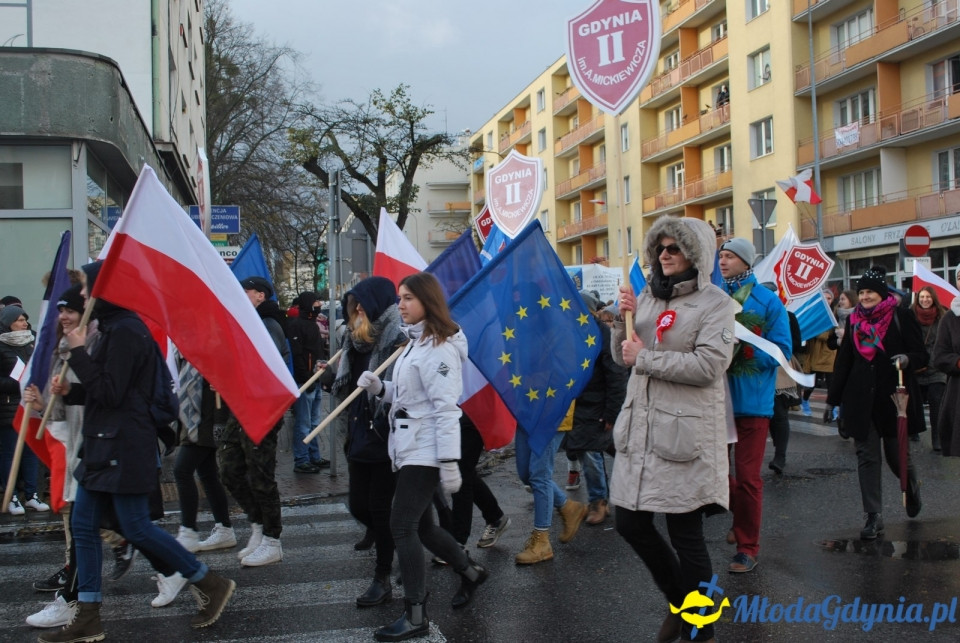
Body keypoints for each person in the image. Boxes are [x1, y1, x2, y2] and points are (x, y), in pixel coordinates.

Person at [39, 261, 234, 642]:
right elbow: (115, 392)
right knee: (83, 524)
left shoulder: (127, 331)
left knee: (135, 527)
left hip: (123, 445)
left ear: (105, 291)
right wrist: (73, 391)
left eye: (86, 289)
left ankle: (210, 583)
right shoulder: (115, 329)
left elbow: (111, 392)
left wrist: (78, 354)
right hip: (105, 442)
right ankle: (88, 615)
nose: (81, 296)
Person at [613, 216, 736, 643]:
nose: (664, 255)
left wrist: (643, 357)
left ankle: (702, 628)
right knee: (629, 522)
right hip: (642, 431)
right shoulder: (646, 296)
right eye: (660, 248)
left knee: (687, 536)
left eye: (673, 249)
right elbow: (623, 357)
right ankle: (680, 604)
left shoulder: (716, 303)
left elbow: (709, 366)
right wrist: (620, 322)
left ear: (694, 255)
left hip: (685, 435)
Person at [356, 272, 487, 642]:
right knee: (424, 527)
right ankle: (471, 571)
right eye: (399, 298)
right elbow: (410, 396)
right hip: (410, 446)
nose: (400, 305)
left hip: (427, 450)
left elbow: (445, 409)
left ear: (427, 302)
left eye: (408, 298)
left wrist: (448, 463)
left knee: (401, 525)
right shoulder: (416, 344)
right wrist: (381, 387)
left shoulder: (440, 348)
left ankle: (416, 614)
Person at [826, 266, 926, 540]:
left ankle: (911, 485)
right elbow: (844, 362)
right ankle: (874, 516)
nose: (866, 296)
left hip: (895, 399)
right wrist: (833, 401)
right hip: (861, 400)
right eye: (862, 292)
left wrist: (907, 359)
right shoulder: (855, 321)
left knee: (896, 457)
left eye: (870, 292)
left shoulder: (901, 316)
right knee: (867, 458)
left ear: (882, 294)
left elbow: (921, 355)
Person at [718, 237, 792, 573]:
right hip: (717, 401)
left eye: (730, 257)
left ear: (747, 263)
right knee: (718, 475)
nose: (723, 261)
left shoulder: (767, 301)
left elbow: (782, 349)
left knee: (748, 478)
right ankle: (741, 516)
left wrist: (744, 350)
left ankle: (748, 547)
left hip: (753, 402)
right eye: (721, 256)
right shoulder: (715, 296)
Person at [331, 276, 404, 608]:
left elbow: (399, 391)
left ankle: (383, 577)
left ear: (374, 304)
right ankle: (392, 537)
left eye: (360, 304)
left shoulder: (396, 339)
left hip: (384, 434)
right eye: (352, 305)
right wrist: (332, 377)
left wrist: (380, 390)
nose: (355, 310)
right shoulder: (356, 341)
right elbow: (350, 386)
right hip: (358, 433)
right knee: (359, 505)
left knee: (380, 507)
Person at [218, 275, 287, 567]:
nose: (241, 295)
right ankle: (257, 524)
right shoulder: (249, 324)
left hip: (263, 410)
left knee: (261, 476)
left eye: (246, 291)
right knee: (229, 469)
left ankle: (273, 539)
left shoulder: (268, 326)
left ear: (260, 295)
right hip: (241, 407)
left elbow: (261, 369)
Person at [562, 290, 627, 525]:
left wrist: (612, 411)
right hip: (577, 406)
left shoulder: (603, 334)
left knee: (591, 451)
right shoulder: (567, 335)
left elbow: (616, 374)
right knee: (598, 448)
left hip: (598, 406)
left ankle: (598, 501)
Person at [173, 367, 237, 556]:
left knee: (182, 470)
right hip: (201, 415)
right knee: (207, 474)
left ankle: (189, 531)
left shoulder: (212, 343)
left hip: (206, 418)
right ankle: (224, 527)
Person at [0, 303, 49, 514]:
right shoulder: (1, 346)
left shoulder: (33, 342)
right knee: (9, 454)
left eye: (25, 319)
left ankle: (31, 495)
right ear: (8, 324)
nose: (24, 323)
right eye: (19, 320)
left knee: (31, 453)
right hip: (9, 408)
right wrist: (17, 383)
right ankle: (11, 497)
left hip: (32, 407)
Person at [438, 415, 511, 550]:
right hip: (450, 417)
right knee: (465, 471)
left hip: (471, 416)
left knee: (460, 472)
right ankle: (495, 516)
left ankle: (457, 541)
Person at [288, 291, 330, 473]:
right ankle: (301, 459)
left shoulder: (313, 325)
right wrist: (306, 378)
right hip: (304, 382)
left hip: (315, 380)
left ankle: (314, 456)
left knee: (314, 422)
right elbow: (297, 355)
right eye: (315, 302)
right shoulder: (297, 325)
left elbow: (317, 351)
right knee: (304, 423)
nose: (318, 305)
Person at [911, 286, 947, 452]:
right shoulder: (910, 316)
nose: (925, 300)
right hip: (916, 367)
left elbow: (944, 344)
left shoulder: (942, 317)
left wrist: (934, 362)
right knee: (914, 403)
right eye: (922, 297)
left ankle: (937, 438)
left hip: (936, 369)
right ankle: (914, 430)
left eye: (928, 297)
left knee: (936, 404)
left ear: (933, 299)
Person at [799, 290, 836, 416]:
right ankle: (805, 401)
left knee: (832, 383)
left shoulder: (835, 315)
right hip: (814, 352)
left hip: (829, 354)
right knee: (811, 383)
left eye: (829, 298)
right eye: (824, 298)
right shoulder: (813, 313)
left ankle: (833, 407)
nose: (827, 300)